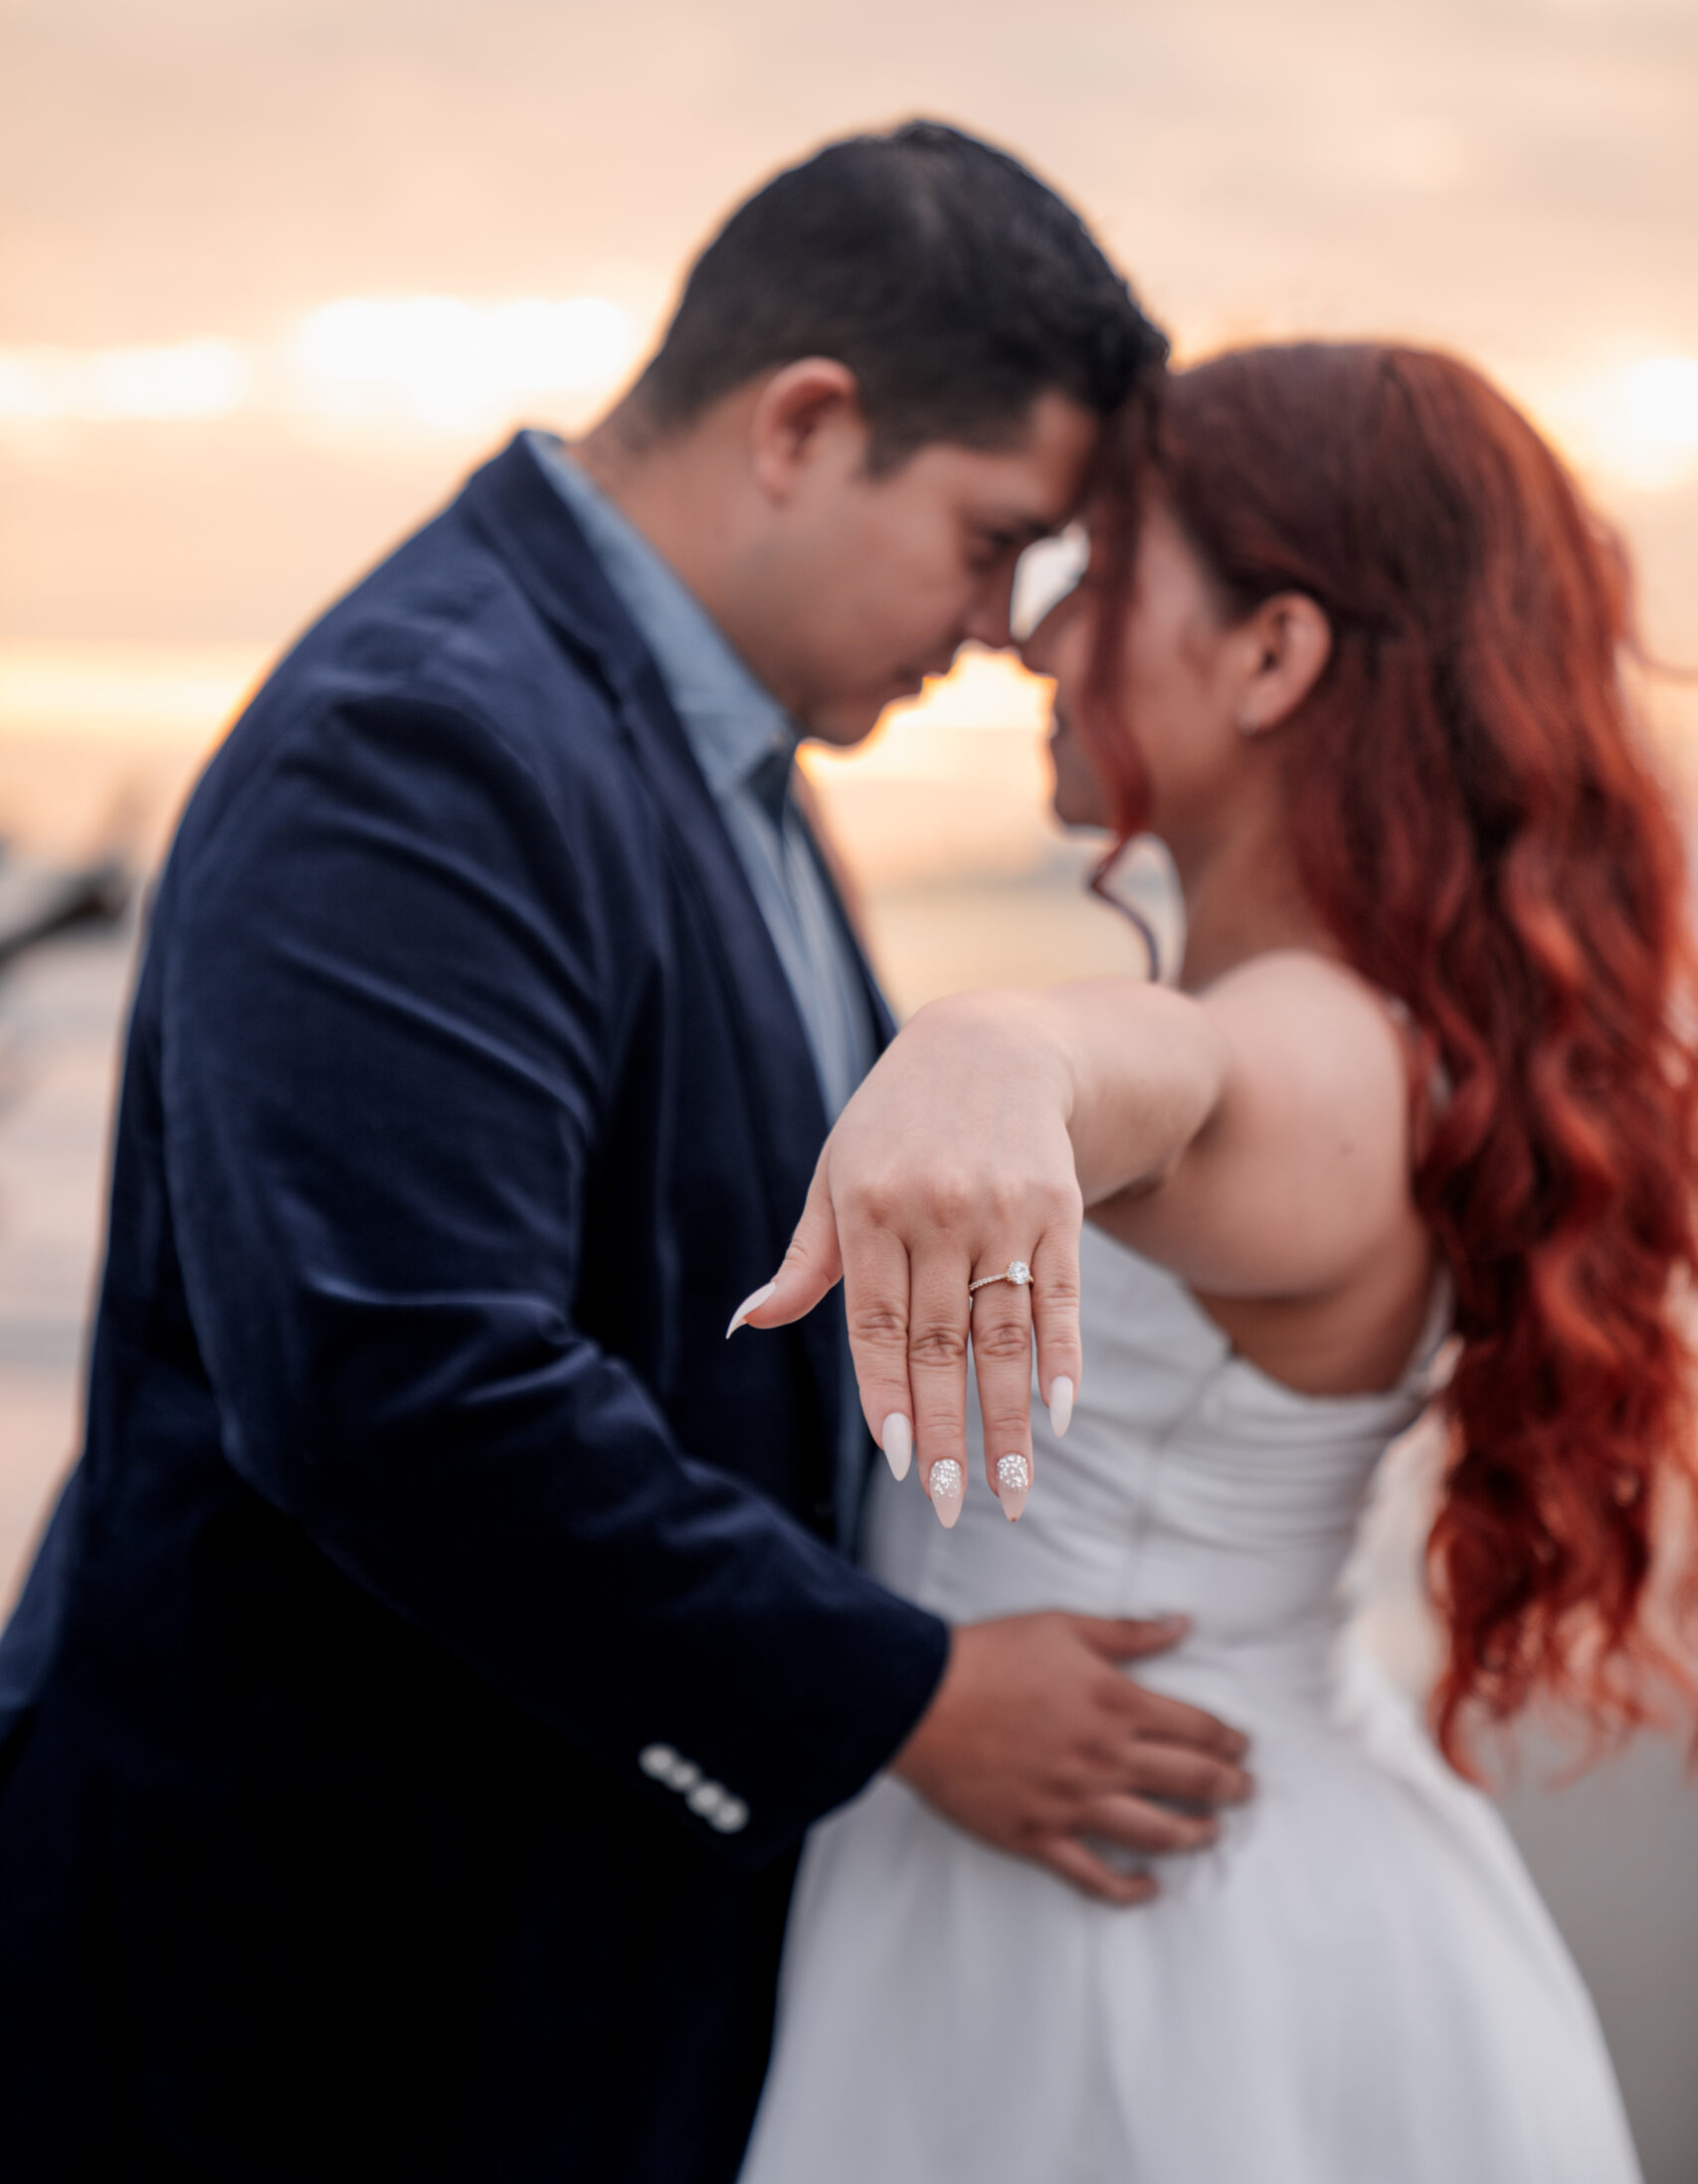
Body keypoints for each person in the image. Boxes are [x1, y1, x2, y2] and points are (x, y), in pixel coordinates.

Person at [0, 124, 1253, 2183]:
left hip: (549, 1940)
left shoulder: (721, 744)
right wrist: (904, 1695)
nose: (1002, 630)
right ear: (804, 424)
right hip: (308, 1985)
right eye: (986, 536)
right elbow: (402, 1382)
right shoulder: (423, 733)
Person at [738, 341, 1698, 2182]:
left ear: (1273, 653)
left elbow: (1164, 1079)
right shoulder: (1391, 1026)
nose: (1031, 636)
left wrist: (996, 1048)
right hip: (1149, 1847)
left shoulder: (1321, 1059)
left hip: (1137, 1939)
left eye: (1095, 570)